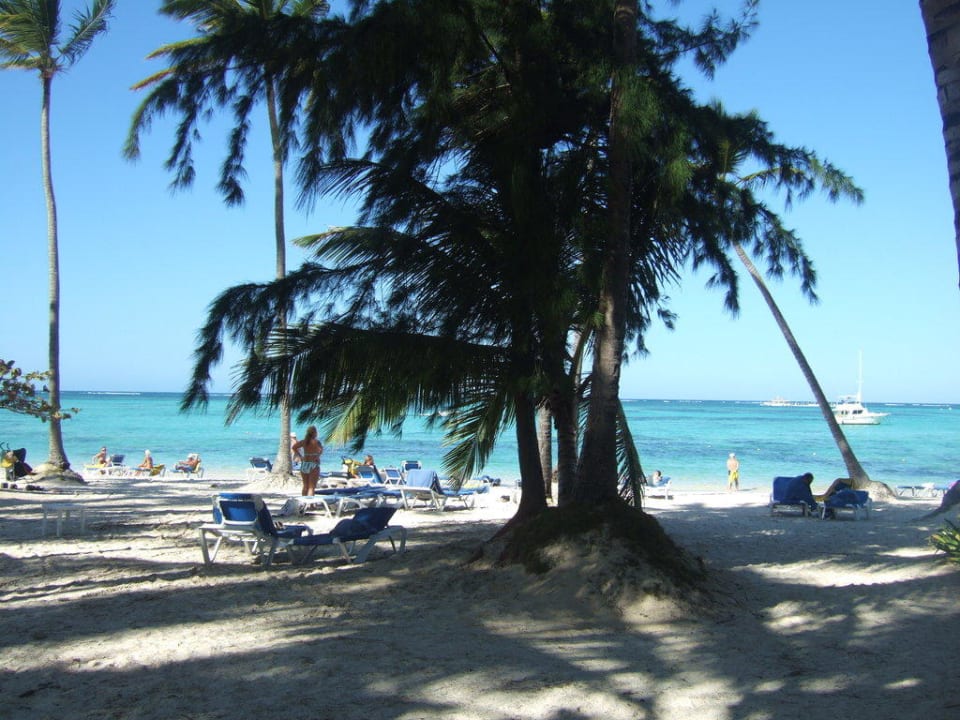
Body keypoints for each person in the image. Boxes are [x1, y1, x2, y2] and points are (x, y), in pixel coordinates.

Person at [292, 425, 324, 497]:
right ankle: (310, 503)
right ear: (315, 433)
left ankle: (304, 502)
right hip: (313, 464)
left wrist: (300, 456)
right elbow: (321, 450)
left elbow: (294, 447)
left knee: (305, 486)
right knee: (311, 487)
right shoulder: (317, 442)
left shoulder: (304, 442)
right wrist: (317, 456)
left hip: (304, 464)